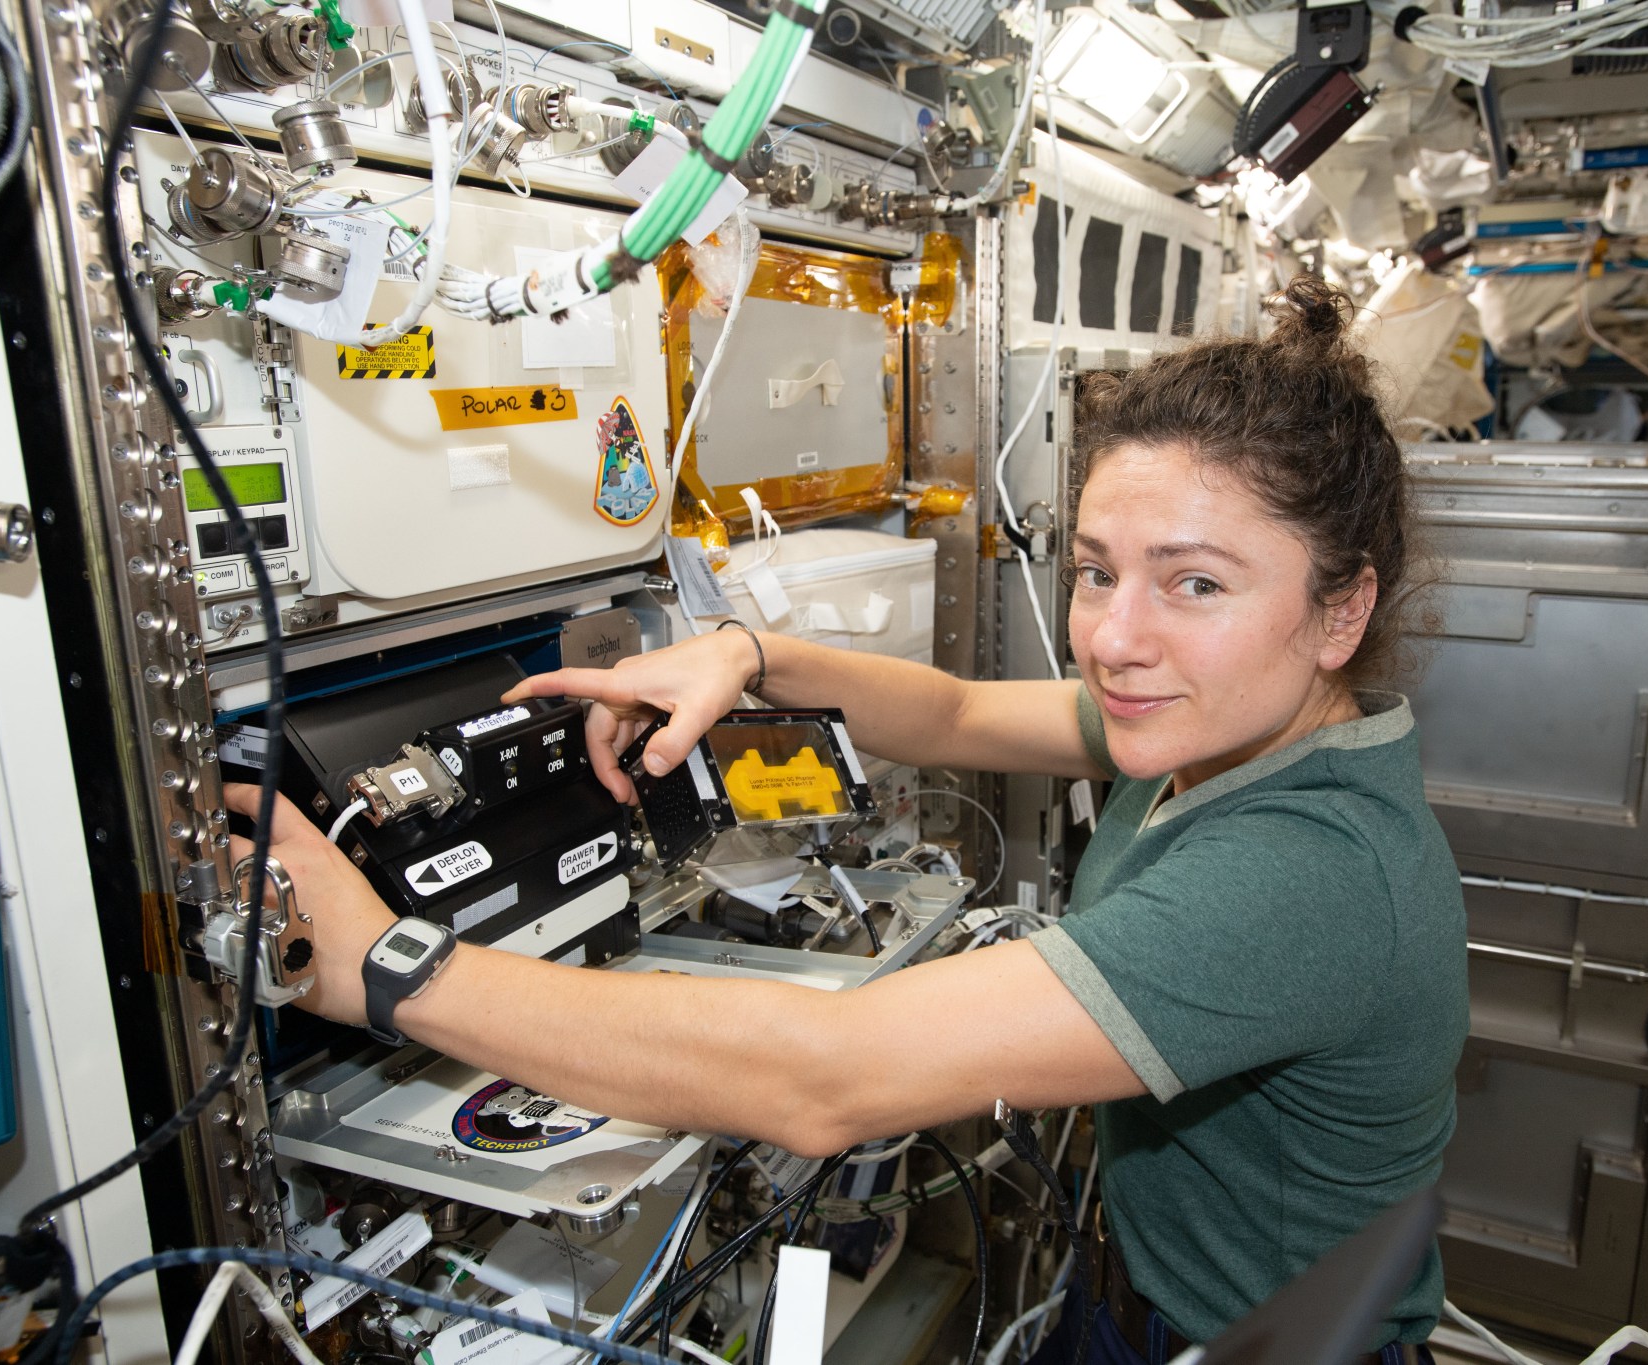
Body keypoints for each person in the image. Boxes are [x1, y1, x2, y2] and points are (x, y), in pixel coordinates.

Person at [223, 278, 1469, 1364]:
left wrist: (387, 966)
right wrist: (740, 653)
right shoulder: (1214, 722)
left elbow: (825, 1079)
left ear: (1337, 612)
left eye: (1194, 583)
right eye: (1095, 571)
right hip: (1148, 1300)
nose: (1113, 637)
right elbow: (959, 714)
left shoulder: (1307, 874)